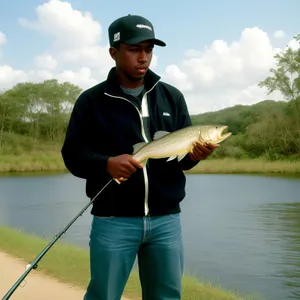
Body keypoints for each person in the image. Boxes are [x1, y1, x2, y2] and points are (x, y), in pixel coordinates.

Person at [61, 14, 219, 300]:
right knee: (103, 295)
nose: (143, 57)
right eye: (134, 49)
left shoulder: (172, 96)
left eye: (149, 49)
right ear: (114, 52)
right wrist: (106, 164)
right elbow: (72, 155)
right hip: (113, 220)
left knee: (166, 297)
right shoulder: (91, 101)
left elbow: (181, 161)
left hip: (166, 220)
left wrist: (197, 156)